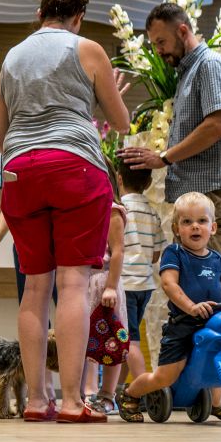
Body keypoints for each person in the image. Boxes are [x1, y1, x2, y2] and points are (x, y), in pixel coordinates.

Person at [116, 2, 221, 410]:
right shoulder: (188, 75)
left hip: (215, 194)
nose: (159, 51)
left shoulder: (212, 66)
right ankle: (213, 388)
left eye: (162, 41)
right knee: (209, 293)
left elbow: (217, 125)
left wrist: (164, 158)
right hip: (201, 194)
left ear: (184, 30)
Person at [0, 0, 130, 423]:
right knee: (72, 283)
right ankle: (72, 402)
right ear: (80, 14)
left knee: (35, 286)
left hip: (19, 171)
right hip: (75, 167)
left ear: (40, 12)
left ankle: (36, 401)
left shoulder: (11, 58)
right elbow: (122, 122)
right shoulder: (88, 50)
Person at [117, 192, 221, 422]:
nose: (195, 227)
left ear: (213, 228)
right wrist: (191, 307)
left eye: (202, 221)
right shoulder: (175, 253)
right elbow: (169, 284)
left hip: (214, 322)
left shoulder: (217, 258)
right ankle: (130, 394)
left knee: (220, 357)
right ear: (176, 228)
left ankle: (217, 402)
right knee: (165, 377)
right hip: (184, 324)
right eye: (187, 222)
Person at [0, 212, 58, 405]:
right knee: (38, 311)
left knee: (62, 308)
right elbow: (9, 207)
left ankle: (68, 393)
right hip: (29, 239)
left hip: (56, 237)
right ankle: (44, 389)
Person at [82, 156, 127, 415]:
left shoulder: (112, 210)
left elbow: (118, 252)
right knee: (87, 340)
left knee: (113, 338)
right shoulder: (86, 209)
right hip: (85, 282)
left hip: (104, 282)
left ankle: (108, 394)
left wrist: (110, 286)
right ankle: (88, 392)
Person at [117, 159, 165, 387]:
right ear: (148, 182)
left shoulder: (118, 210)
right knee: (125, 339)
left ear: (118, 178)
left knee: (130, 341)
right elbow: (156, 255)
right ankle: (118, 388)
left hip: (125, 286)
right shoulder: (152, 214)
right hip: (145, 287)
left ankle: (146, 386)